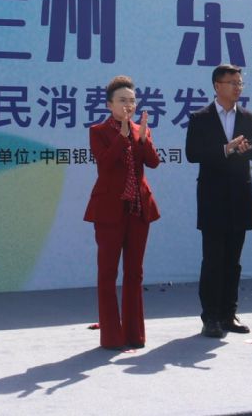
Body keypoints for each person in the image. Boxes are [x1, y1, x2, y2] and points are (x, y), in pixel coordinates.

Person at [186, 65, 252, 338]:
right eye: (232, 82)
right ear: (217, 86)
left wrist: (246, 150)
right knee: (213, 260)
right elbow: (192, 153)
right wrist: (225, 149)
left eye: (240, 83)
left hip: (240, 196)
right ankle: (210, 317)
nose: (237, 87)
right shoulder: (200, 118)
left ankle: (228, 314)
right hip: (213, 197)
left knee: (233, 261)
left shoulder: (248, 117)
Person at [84, 75, 161, 350]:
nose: (128, 105)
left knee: (134, 272)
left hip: (138, 209)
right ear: (109, 105)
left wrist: (142, 139)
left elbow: (153, 162)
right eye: (122, 100)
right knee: (107, 273)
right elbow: (105, 165)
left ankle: (134, 334)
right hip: (109, 210)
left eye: (132, 100)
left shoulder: (142, 130)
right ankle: (111, 337)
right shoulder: (98, 131)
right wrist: (123, 137)